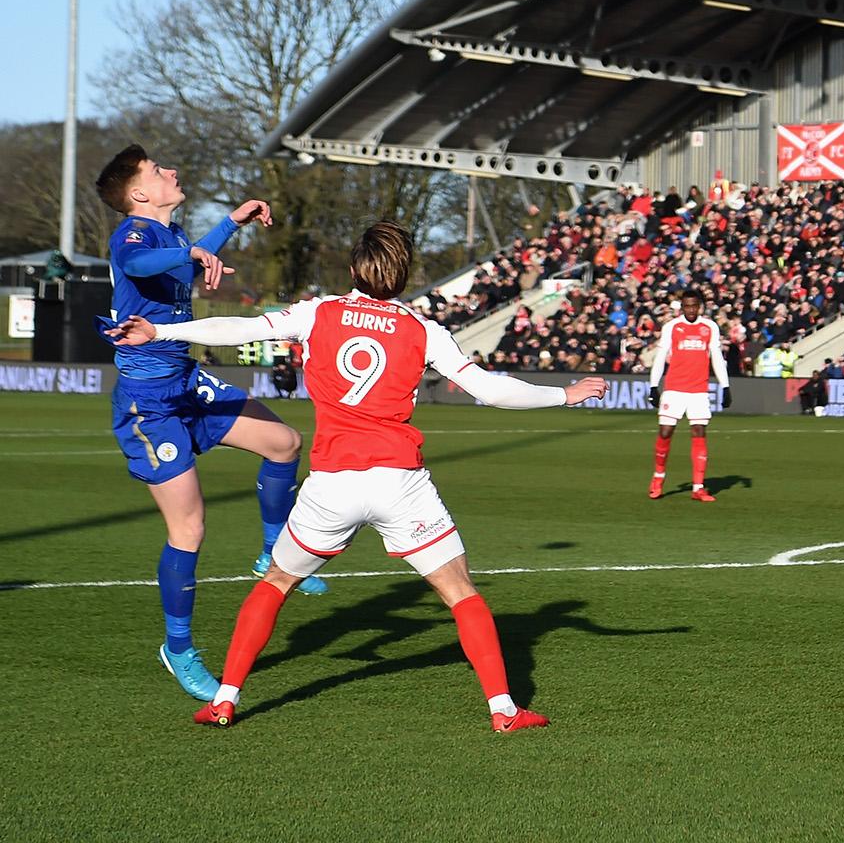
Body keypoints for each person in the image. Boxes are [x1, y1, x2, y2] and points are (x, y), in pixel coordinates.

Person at [109, 221, 608, 730]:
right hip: (400, 480)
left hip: (333, 480)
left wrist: (162, 331)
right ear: (405, 273)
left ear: (353, 269)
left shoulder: (321, 312)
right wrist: (564, 394)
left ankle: (226, 700)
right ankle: (503, 709)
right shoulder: (423, 329)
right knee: (460, 592)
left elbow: (241, 328)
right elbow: (490, 390)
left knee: (277, 582)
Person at [94, 144, 325, 706]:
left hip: (185, 380)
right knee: (190, 529)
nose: (171, 171)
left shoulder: (172, 236)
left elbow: (182, 257)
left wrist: (229, 224)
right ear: (140, 194)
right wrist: (193, 252)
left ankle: (271, 550)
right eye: (156, 171)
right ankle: (179, 647)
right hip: (149, 403)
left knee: (284, 442)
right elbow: (138, 266)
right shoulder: (134, 234)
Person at [646, 288, 729, 502]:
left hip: (699, 389)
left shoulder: (710, 327)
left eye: (694, 306)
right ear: (681, 307)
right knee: (665, 432)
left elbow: (717, 357)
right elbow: (660, 356)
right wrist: (654, 386)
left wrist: (726, 386)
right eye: (687, 306)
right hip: (674, 388)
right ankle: (658, 477)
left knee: (699, 431)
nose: (691, 309)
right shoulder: (672, 327)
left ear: (700, 307)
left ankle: (698, 487)